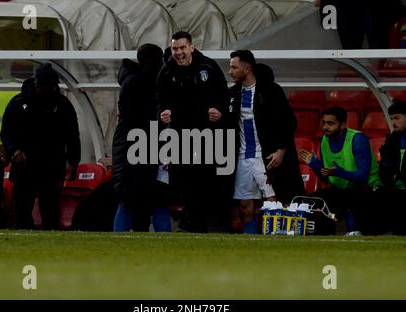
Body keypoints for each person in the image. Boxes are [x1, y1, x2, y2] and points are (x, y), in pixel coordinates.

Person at [156, 31, 230, 233]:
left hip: (207, 135)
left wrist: (220, 113)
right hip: (181, 136)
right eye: (174, 49)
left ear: (191, 47)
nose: (178, 53)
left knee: (208, 181)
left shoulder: (208, 67)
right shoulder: (166, 71)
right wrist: (163, 114)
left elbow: (225, 98)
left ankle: (212, 225)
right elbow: (160, 102)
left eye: (181, 48)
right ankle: (191, 224)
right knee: (185, 182)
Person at [228, 50, 304, 234]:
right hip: (243, 156)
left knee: (273, 201)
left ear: (247, 69)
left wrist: (281, 149)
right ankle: (251, 239)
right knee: (245, 203)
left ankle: (279, 239)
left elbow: (289, 122)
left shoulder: (271, 91)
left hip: (266, 155)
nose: (230, 71)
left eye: (234, 67)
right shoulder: (233, 93)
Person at [1, 63, 81, 230]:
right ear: (38, 85)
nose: (52, 90)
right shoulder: (19, 103)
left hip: (52, 168)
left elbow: (72, 136)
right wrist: (14, 150)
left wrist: (73, 161)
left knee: (50, 215)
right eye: (48, 86)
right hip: (24, 167)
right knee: (22, 214)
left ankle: (51, 248)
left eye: (54, 86)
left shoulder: (63, 105)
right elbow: (7, 132)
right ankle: (22, 244)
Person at [112, 43, 172, 232]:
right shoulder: (138, 83)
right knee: (133, 199)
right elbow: (145, 120)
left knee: (153, 197)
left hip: (142, 148)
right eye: (159, 59)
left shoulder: (139, 81)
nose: (161, 64)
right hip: (136, 149)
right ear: (147, 61)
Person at [299, 106, 381, 235]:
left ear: (342, 125)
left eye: (330, 123)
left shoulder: (358, 139)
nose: (326, 127)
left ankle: (356, 231)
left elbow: (363, 177)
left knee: (355, 197)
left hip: (368, 190)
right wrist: (314, 164)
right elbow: (326, 178)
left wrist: (339, 172)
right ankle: (322, 238)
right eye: (324, 123)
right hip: (343, 191)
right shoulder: (325, 140)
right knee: (313, 200)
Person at [378, 100, 406, 235]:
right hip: (395, 191)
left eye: (397, 118)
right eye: (391, 118)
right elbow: (384, 167)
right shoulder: (392, 139)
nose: (393, 122)